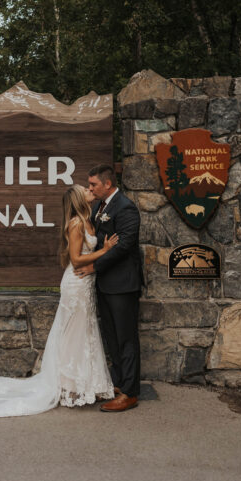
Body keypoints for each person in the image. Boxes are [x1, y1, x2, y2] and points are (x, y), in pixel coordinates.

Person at [0, 185, 117, 417]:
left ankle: (87, 384)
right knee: (74, 334)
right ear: (80, 199)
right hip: (76, 285)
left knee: (85, 332)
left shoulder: (89, 219)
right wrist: (105, 251)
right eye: (85, 190)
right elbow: (76, 258)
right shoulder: (76, 224)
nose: (89, 190)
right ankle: (70, 386)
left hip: (86, 285)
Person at [74, 164, 142, 412]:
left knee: (126, 339)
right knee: (112, 337)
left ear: (107, 184)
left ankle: (131, 393)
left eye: (93, 184)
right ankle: (119, 382)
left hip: (122, 285)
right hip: (105, 284)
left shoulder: (125, 208)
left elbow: (124, 246)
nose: (90, 188)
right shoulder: (100, 207)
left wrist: (94, 267)